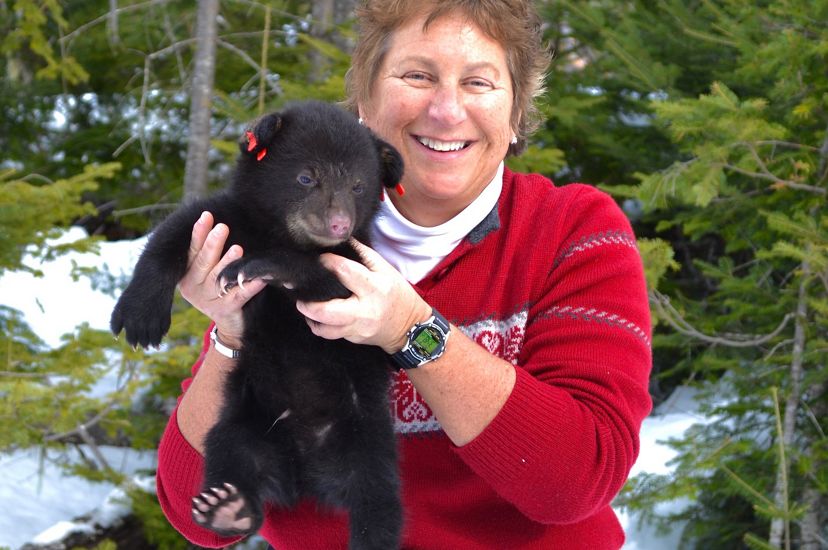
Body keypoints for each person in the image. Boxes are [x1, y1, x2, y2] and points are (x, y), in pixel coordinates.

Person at [155, 0, 653, 548]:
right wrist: (232, 333)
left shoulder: (571, 231)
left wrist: (410, 330)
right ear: (364, 103)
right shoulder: (289, 234)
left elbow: (577, 482)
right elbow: (191, 511)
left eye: (479, 82)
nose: (446, 109)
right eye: (418, 75)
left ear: (515, 117)